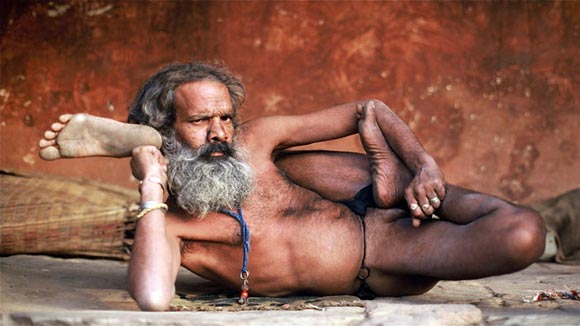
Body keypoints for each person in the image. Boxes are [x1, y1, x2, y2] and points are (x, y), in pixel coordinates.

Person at [38, 62, 545, 311]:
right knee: (520, 236)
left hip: (378, 215)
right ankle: (143, 140)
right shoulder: (175, 228)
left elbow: (368, 109)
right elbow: (151, 298)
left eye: (226, 117)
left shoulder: (253, 139)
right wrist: (151, 186)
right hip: (377, 259)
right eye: (199, 121)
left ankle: (393, 177)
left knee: (523, 229)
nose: (219, 132)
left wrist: (425, 167)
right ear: (164, 132)